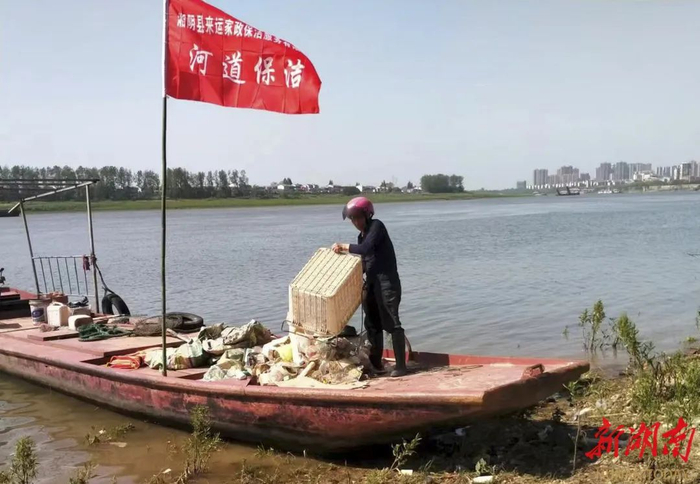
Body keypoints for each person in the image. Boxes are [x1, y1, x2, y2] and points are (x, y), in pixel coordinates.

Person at [332, 197, 408, 377]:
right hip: (372, 283)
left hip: (387, 283)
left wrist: (344, 246)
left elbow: (365, 249)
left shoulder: (377, 227)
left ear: (367, 215)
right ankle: (376, 364)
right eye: (352, 219)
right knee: (372, 323)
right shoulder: (361, 236)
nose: (356, 222)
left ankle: (401, 366)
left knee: (392, 323)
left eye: (358, 218)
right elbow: (365, 262)